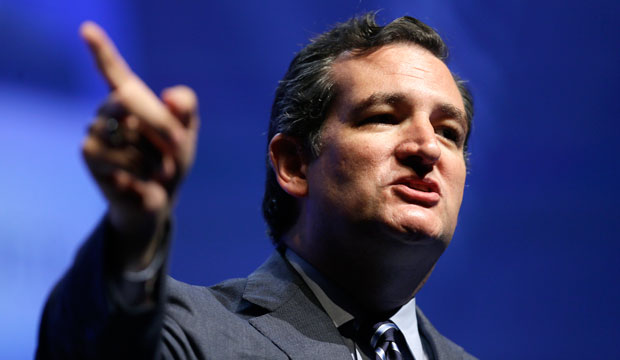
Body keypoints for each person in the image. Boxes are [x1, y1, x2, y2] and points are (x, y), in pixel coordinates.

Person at [37, 12, 476, 360]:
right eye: (383, 117)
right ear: (294, 165)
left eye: (449, 132)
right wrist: (133, 229)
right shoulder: (187, 334)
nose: (427, 147)